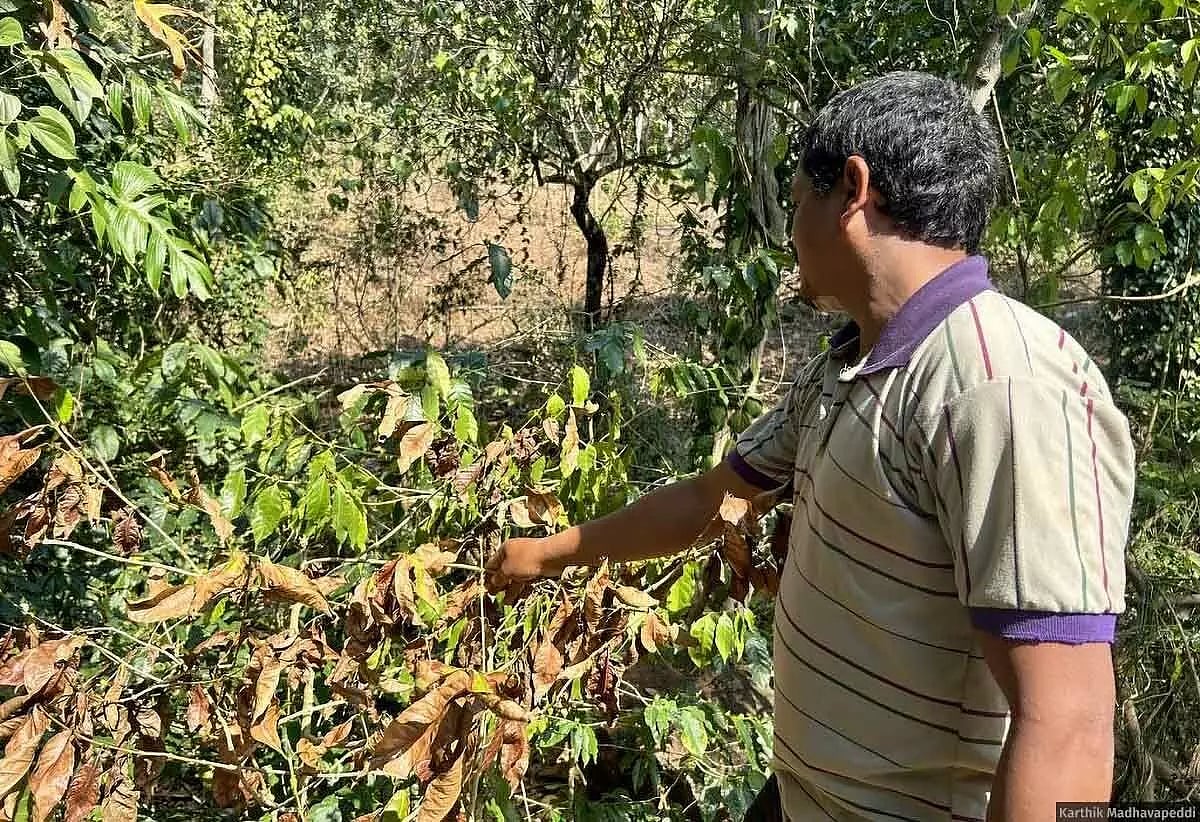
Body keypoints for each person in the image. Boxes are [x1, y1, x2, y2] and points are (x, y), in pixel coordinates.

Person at [485, 71, 1135, 821]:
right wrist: (551, 551)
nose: (790, 230)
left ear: (853, 190)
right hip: (806, 796)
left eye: (799, 202)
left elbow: (1070, 723)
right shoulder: (853, 362)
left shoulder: (1000, 389)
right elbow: (711, 498)